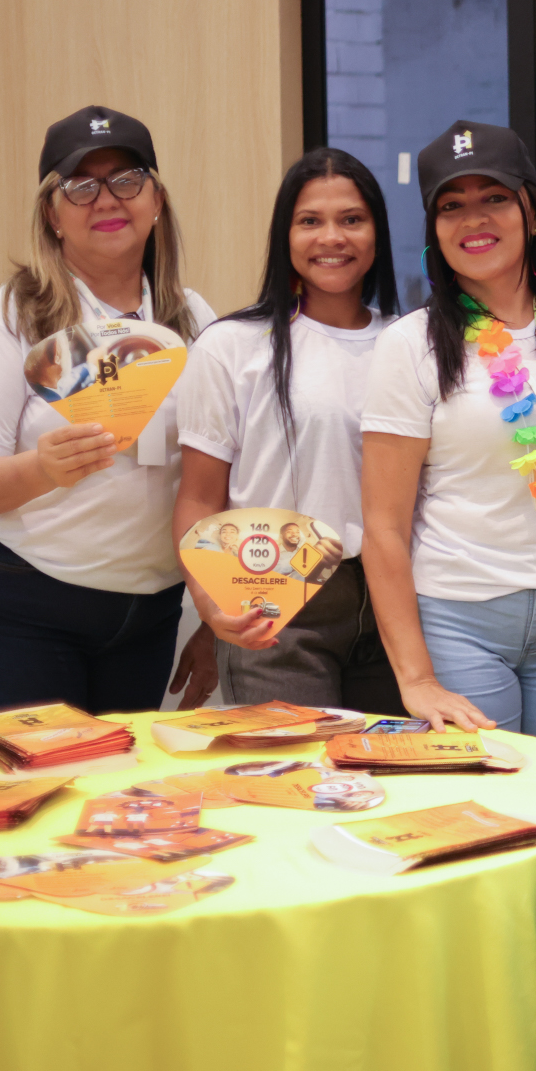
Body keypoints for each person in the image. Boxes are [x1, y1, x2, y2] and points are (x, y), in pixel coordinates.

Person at [360, 121, 536, 772]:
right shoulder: (411, 345)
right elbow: (384, 528)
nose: (474, 220)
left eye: (494, 199)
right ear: (433, 229)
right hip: (459, 621)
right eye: (451, 206)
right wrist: (417, 678)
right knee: (489, 817)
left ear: (530, 208)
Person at [0, 105, 214, 714]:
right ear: (52, 214)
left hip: (149, 609)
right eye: (80, 186)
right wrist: (40, 469)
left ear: (156, 200)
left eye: (126, 179)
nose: (106, 199)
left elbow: (220, 476)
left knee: (119, 799)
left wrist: (215, 620)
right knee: (46, 793)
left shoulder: (195, 321)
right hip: (23, 602)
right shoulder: (10, 321)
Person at [171, 148, 405, 714]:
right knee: (295, 788)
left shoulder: (409, 344)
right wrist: (210, 606)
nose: (332, 238)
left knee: (394, 788)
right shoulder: (232, 346)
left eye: (352, 219)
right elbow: (200, 498)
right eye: (310, 222)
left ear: (377, 233)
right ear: (285, 235)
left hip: (397, 599)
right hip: (276, 599)